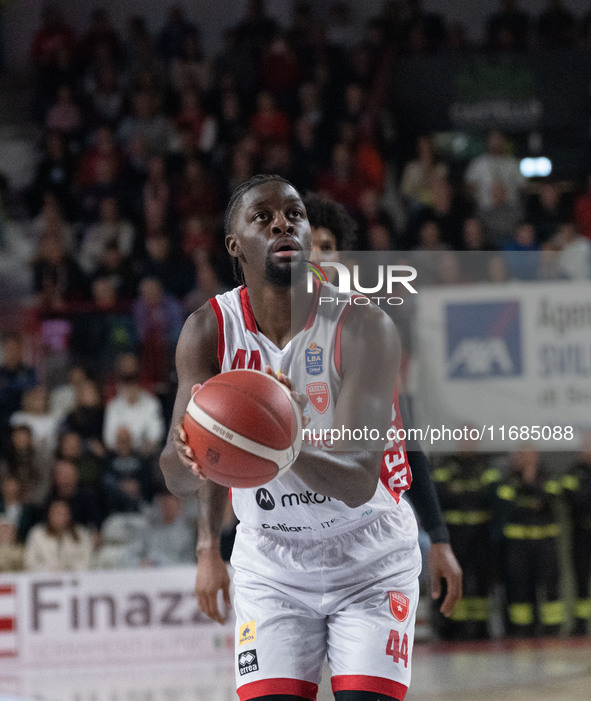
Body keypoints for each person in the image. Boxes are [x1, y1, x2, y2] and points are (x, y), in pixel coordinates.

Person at [160, 174, 457, 701]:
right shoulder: (207, 330)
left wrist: (283, 442)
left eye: (294, 215)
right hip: (272, 563)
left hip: (368, 556)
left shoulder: (363, 326)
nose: (283, 223)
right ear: (235, 244)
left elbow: (359, 480)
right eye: (263, 217)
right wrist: (207, 536)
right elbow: (178, 472)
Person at [303, 191, 462, 622]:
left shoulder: (371, 335)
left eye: (327, 247)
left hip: (365, 539)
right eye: (306, 246)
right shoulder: (258, 337)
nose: (316, 256)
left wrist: (439, 534)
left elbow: (407, 447)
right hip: (291, 545)